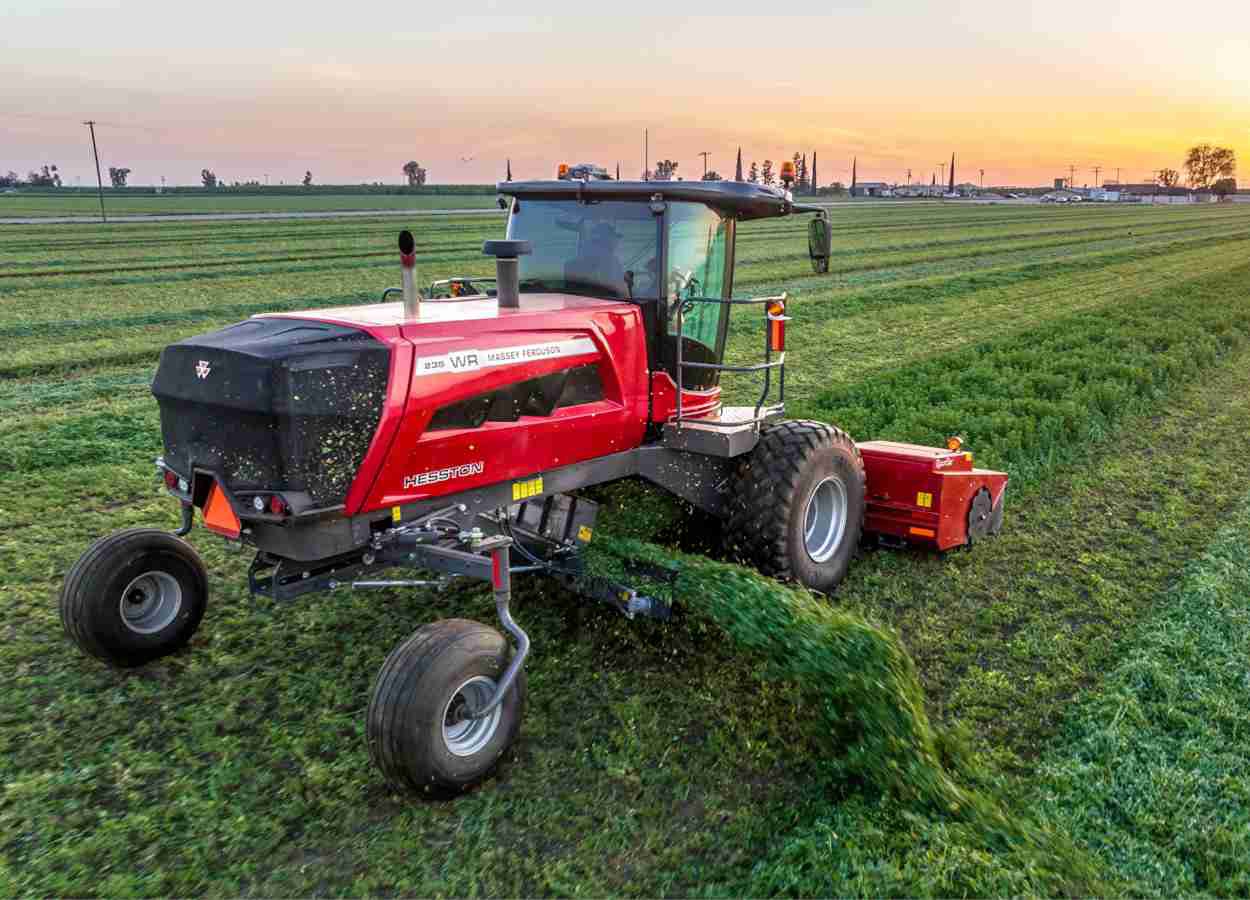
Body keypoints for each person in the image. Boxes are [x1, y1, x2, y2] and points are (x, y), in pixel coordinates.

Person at [564, 222, 626, 295]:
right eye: (612, 239)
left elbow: (622, 289)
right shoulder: (575, 266)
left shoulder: (614, 262)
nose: (615, 243)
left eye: (614, 239)